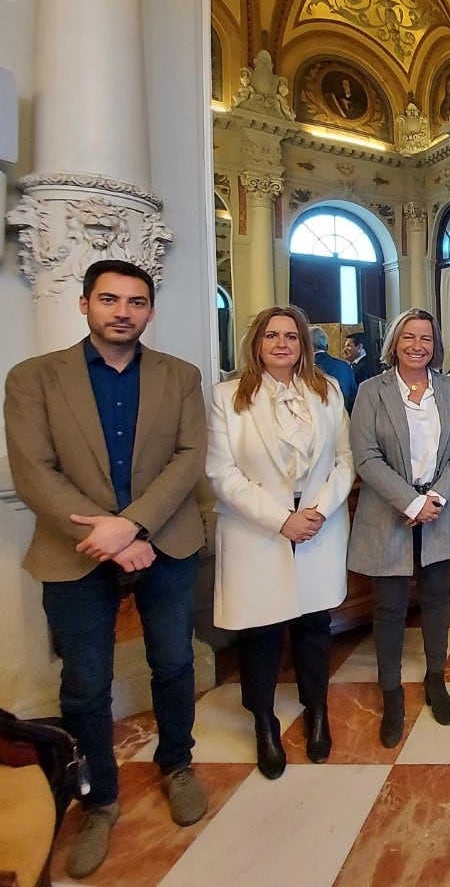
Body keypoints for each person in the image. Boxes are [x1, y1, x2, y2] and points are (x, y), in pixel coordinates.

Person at [3, 259, 209, 878]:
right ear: (85, 304)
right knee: (85, 685)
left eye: (137, 302)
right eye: (110, 300)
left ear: (150, 310)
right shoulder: (34, 377)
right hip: (76, 551)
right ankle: (99, 797)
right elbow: (34, 471)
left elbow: (189, 455)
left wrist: (136, 524)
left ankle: (176, 762)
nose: (123, 311)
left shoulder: (180, 376)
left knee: (173, 663)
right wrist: (115, 538)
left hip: (164, 544)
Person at [206, 306, 354, 781]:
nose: (282, 343)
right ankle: (264, 722)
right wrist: (280, 520)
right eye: (272, 335)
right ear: (256, 343)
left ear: (304, 345)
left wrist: (318, 511)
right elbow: (221, 473)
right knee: (261, 633)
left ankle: (316, 711)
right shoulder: (228, 398)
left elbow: (345, 458)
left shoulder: (326, 391)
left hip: (317, 525)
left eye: (291, 335)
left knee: (315, 626)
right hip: (257, 529)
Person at [348, 309, 450, 745]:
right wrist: (411, 501)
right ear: (394, 343)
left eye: (426, 338)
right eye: (409, 337)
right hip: (390, 513)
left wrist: (434, 497)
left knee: (438, 599)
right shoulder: (370, 390)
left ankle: (436, 679)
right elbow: (364, 455)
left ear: (434, 344)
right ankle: (391, 691)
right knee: (390, 608)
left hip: (440, 510)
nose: (418, 345)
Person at [310, 325, 357, 413]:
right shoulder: (344, 366)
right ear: (327, 346)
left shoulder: (305, 368)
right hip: (343, 419)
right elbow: (354, 398)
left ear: (307, 345)